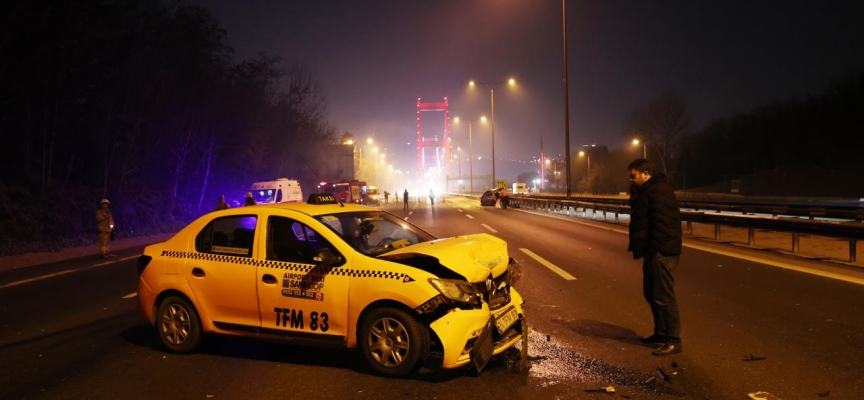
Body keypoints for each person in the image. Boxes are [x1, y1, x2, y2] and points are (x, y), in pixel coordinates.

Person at [626, 158, 683, 356]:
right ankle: (660, 334)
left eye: (633, 176)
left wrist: (656, 249)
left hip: (661, 251)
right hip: (653, 251)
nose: (631, 180)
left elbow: (663, 223)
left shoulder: (659, 190)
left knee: (664, 297)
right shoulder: (648, 190)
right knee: (651, 294)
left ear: (646, 173)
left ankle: (673, 340)